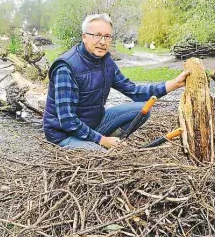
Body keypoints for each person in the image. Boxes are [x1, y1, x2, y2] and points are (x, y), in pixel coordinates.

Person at [43, 13, 190, 151]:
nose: (102, 42)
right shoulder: (66, 67)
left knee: (142, 110)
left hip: (94, 124)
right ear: (84, 37)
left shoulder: (106, 63)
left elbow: (134, 92)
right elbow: (68, 121)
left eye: (107, 36)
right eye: (97, 35)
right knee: (102, 156)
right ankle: (103, 145)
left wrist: (174, 84)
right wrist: (101, 140)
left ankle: (110, 143)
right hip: (64, 134)